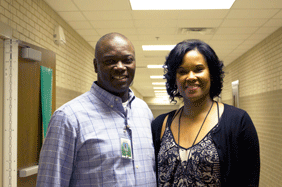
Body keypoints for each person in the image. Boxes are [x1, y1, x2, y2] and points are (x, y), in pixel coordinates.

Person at [36, 33, 156, 187]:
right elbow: (50, 182)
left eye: (127, 60)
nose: (120, 67)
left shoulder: (144, 111)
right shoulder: (68, 118)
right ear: (95, 65)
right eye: (110, 61)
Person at [151, 39, 260, 186]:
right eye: (182, 71)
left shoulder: (238, 122)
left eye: (198, 69)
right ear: (174, 79)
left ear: (212, 74)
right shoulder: (160, 124)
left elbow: (249, 180)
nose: (190, 77)